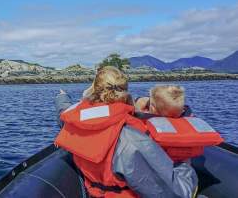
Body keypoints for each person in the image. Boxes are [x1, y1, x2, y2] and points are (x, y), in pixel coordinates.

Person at [54, 66, 198, 198]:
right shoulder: (132, 139)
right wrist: (184, 163)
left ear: (95, 89)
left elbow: (64, 110)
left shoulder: (72, 123)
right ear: (124, 91)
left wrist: (62, 97)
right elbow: (177, 193)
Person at [135, 85, 223, 163]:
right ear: (182, 110)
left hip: (158, 166)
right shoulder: (189, 121)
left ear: (152, 108)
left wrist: (138, 105)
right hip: (185, 166)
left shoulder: (146, 127)